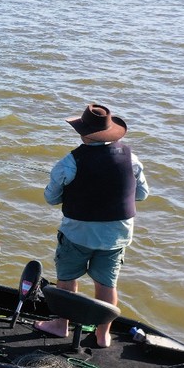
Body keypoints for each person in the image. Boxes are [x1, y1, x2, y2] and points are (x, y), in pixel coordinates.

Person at [35, 104, 150, 348]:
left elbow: (51, 198)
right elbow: (141, 194)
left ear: (83, 133)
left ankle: (61, 325)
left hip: (77, 234)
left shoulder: (69, 162)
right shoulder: (131, 158)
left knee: (66, 279)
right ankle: (103, 334)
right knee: (107, 284)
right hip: (117, 236)